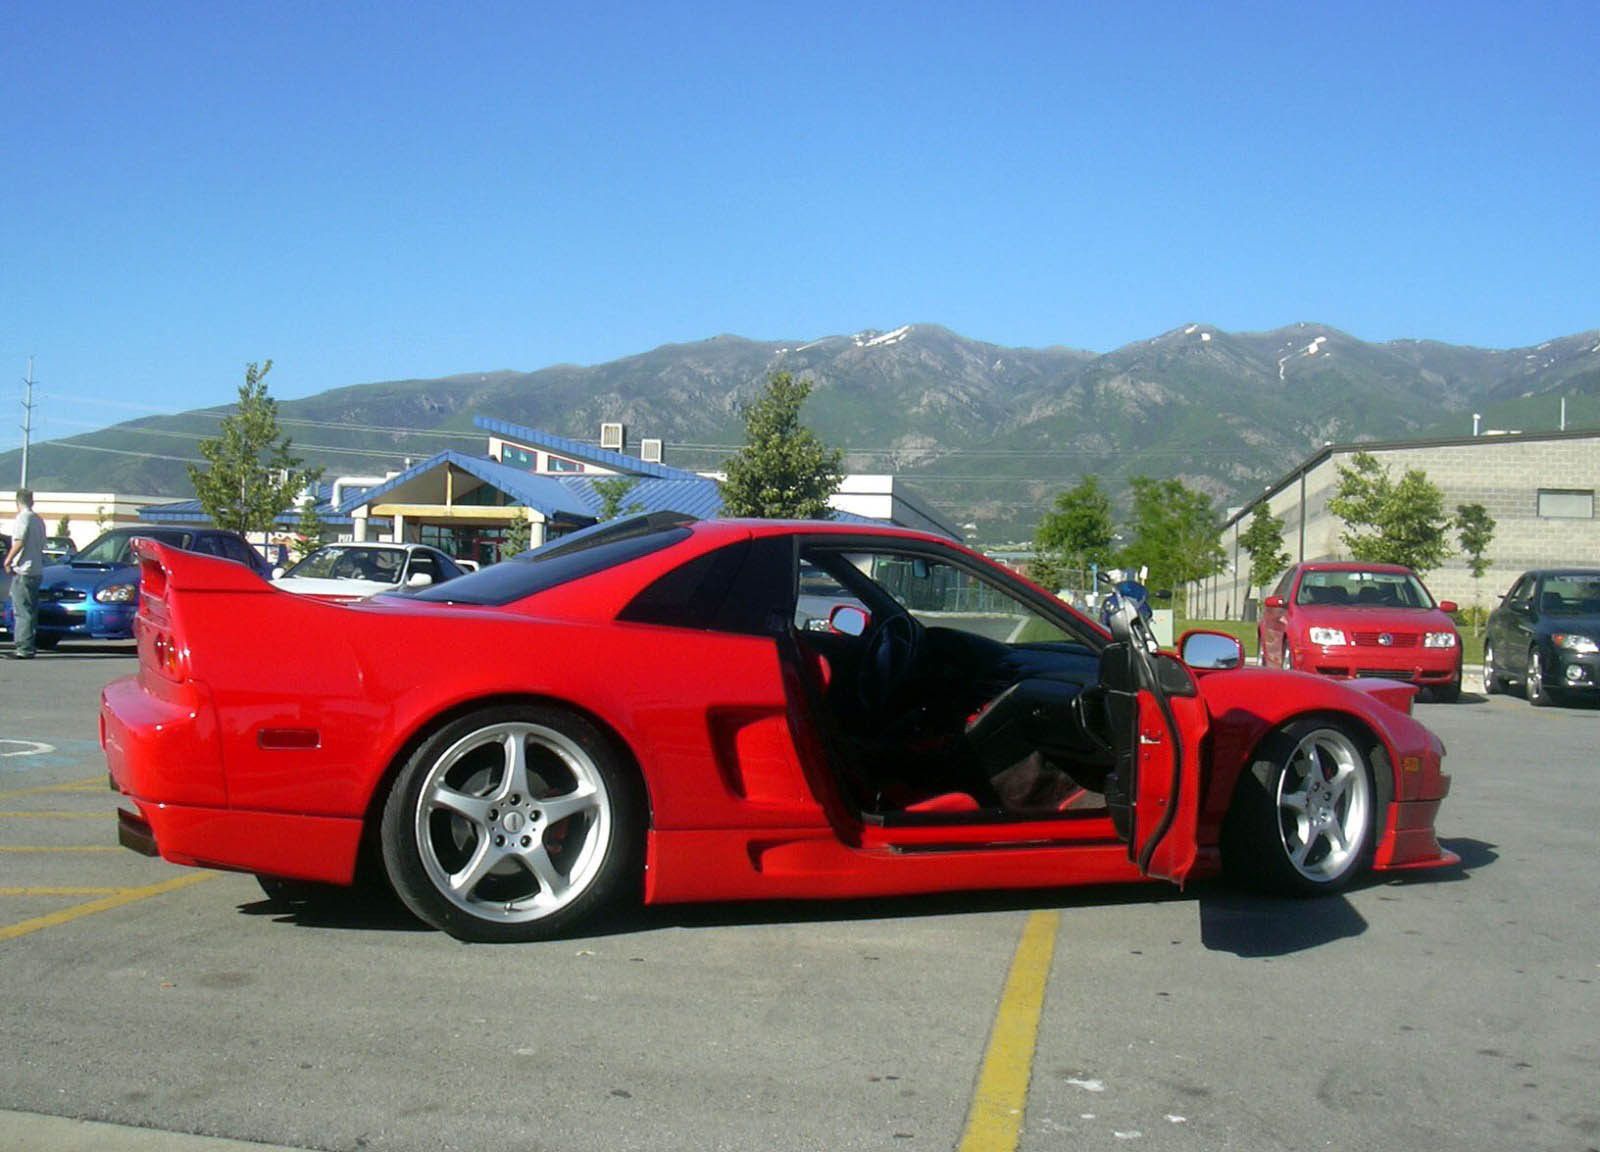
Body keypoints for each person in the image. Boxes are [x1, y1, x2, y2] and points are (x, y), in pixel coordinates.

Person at [4, 488, 47, 659]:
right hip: (36, 568)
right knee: (30, 609)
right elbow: (42, 543)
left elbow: (19, 541)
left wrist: (8, 560)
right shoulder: (38, 520)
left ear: (17, 502)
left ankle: (24, 647)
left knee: (22, 610)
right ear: (32, 501)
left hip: (23, 569)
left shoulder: (23, 518)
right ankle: (29, 643)